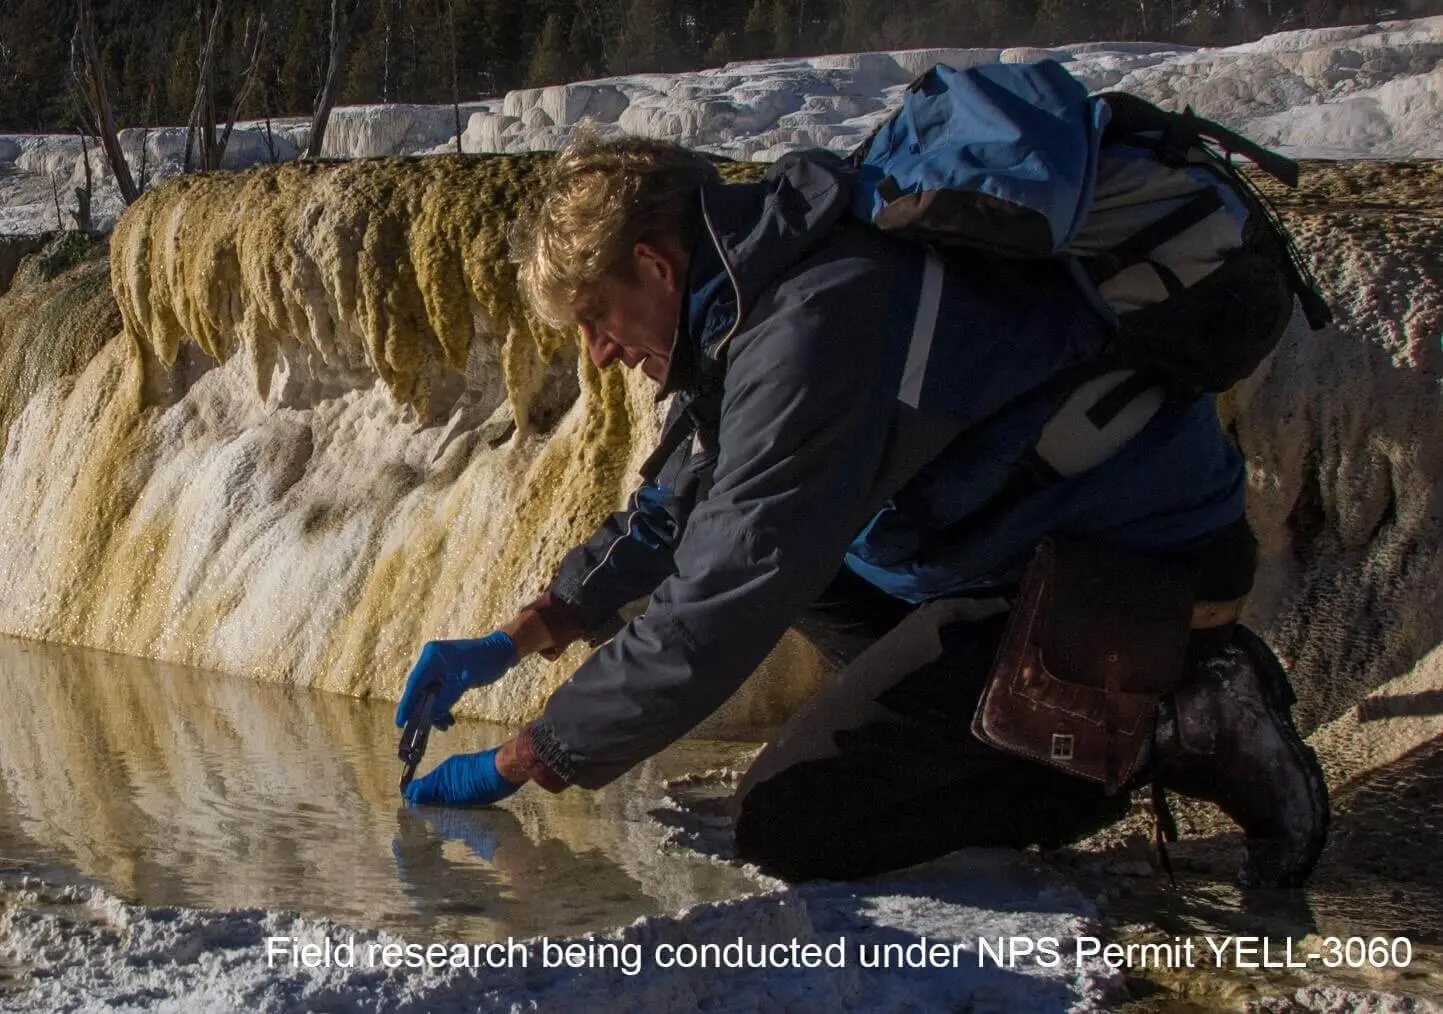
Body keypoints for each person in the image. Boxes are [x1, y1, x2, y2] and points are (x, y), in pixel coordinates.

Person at [395, 133, 1329, 888]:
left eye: (598, 317)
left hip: (1130, 574)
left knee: (796, 824)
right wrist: (520, 635)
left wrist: (528, 756)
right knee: (799, 572)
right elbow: (687, 506)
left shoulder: (814, 322)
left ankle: (1161, 723)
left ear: (654, 264)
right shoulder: (764, 284)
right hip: (1020, 552)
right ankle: (1035, 715)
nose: (599, 352)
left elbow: (723, 598)